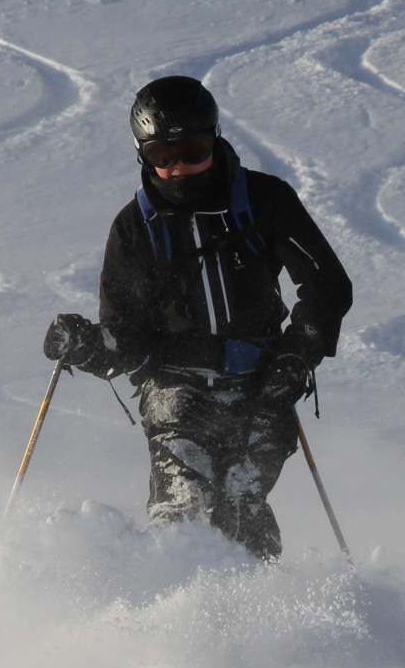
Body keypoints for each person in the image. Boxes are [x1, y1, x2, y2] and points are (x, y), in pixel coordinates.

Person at [40, 75, 352, 559]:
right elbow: (125, 334)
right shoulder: (134, 228)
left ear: (216, 137)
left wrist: (296, 358)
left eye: (192, 148)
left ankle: (261, 612)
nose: (179, 167)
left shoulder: (265, 200)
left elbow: (327, 286)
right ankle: (176, 614)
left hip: (263, 382)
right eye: (162, 157)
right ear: (142, 155)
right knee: (182, 506)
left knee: (240, 499)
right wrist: (87, 344)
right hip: (173, 387)